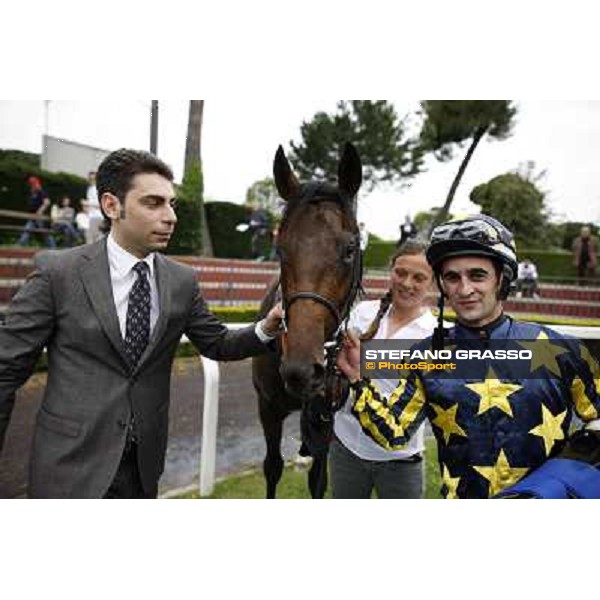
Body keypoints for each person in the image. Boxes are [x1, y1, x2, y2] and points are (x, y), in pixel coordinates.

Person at [0, 148, 283, 499]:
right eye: (153, 203)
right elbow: (5, 370)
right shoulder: (57, 274)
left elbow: (217, 344)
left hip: (143, 469)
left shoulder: (181, 281)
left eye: (172, 204)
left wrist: (266, 329)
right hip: (68, 469)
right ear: (111, 206)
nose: (170, 217)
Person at [336, 214, 600, 499]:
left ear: (503, 278)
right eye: (452, 277)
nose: (464, 289)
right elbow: (393, 433)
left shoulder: (561, 349)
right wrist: (357, 378)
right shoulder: (425, 355)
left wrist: (556, 484)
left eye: (477, 275)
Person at [330, 241, 437, 498]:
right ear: (391, 270)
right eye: (401, 273)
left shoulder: (437, 335)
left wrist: (363, 362)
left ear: (433, 284)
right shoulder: (362, 313)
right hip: (346, 449)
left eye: (419, 278)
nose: (407, 283)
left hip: (400, 460)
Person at [17, 176, 56, 248]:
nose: (33, 186)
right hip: (33, 217)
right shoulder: (32, 193)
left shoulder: (42, 192)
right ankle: (19, 246)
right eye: (32, 184)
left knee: (45, 233)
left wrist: (39, 212)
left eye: (34, 184)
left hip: (40, 217)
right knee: (27, 230)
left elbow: (47, 202)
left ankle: (53, 248)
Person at [86, 170, 104, 243]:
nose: (91, 180)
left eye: (93, 179)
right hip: (91, 216)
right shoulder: (89, 189)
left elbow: (100, 204)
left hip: (97, 216)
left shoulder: (97, 189)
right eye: (90, 179)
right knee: (93, 238)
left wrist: (87, 203)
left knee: (93, 239)